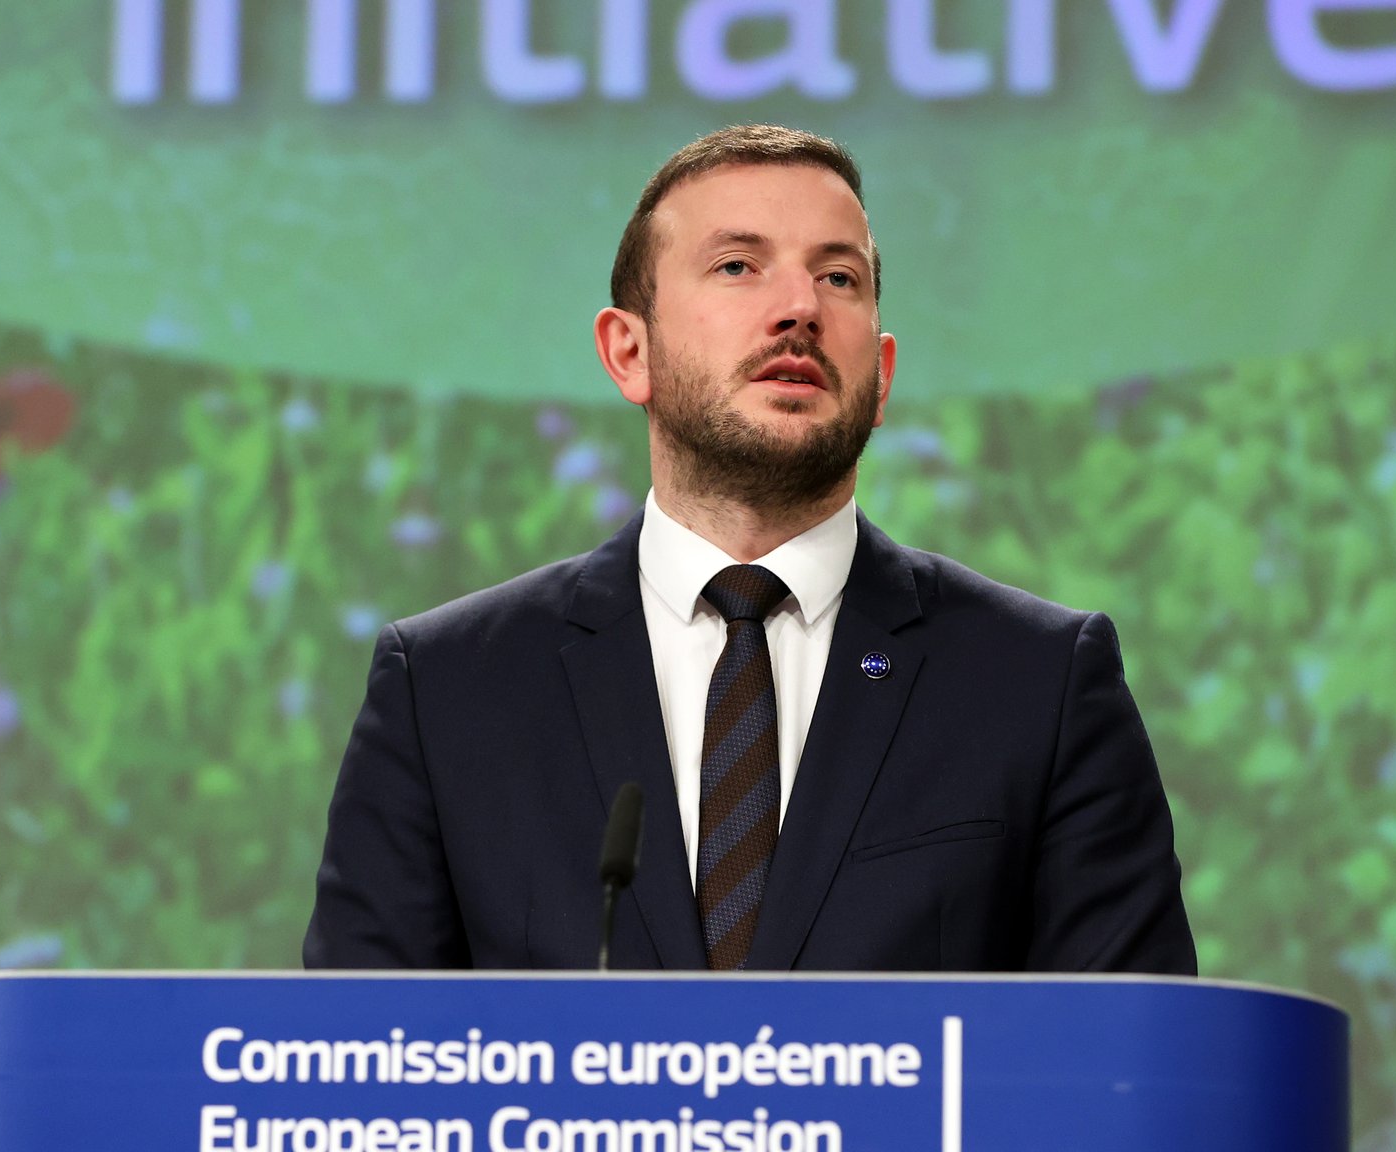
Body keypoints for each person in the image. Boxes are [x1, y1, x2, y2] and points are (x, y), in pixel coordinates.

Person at [304, 125, 1195, 973]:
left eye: (839, 278)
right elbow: (352, 1075)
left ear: (881, 376)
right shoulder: (449, 689)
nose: (800, 308)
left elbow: (1137, 1078)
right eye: (738, 266)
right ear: (628, 351)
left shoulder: (1037, 684)